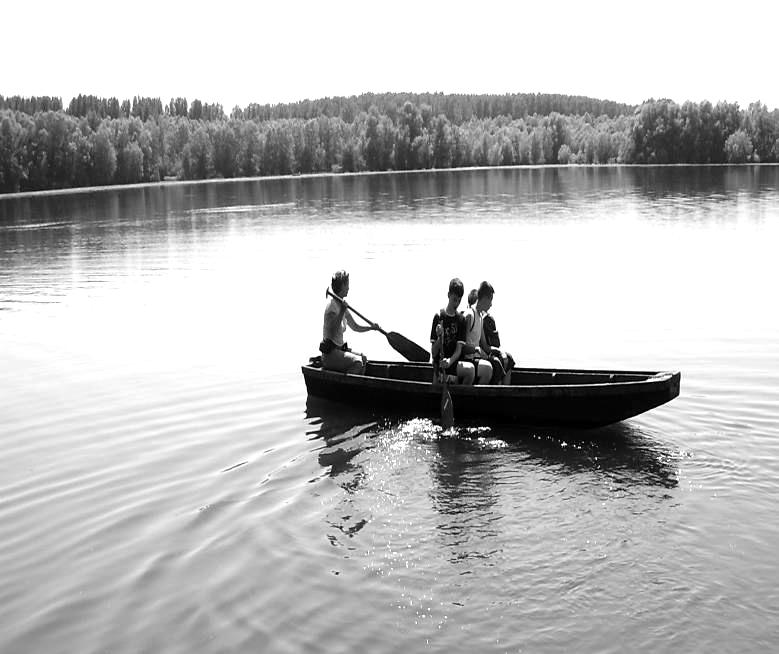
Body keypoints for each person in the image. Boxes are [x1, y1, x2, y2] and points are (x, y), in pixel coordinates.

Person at [320, 270, 380, 374]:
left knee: (363, 358)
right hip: (330, 354)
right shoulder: (332, 307)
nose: (348, 288)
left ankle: (358, 385)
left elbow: (355, 327)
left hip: (339, 351)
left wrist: (371, 328)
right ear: (341, 286)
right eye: (347, 284)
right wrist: (342, 310)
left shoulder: (342, 305)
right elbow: (332, 332)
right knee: (357, 363)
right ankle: (345, 387)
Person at [430, 278, 475, 385]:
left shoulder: (461, 320)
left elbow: (459, 350)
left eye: (459, 300)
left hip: (452, 362)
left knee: (471, 370)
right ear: (448, 295)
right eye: (455, 299)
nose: (457, 303)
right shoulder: (439, 317)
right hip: (439, 364)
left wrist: (450, 361)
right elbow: (434, 352)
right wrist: (440, 337)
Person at [463, 282, 497, 384]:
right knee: (488, 369)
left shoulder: (481, 317)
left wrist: (499, 353)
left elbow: (485, 346)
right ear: (484, 298)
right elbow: (461, 347)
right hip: (466, 360)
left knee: (497, 364)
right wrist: (476, 350)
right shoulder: (469, 315)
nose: (491, 304)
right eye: (490, 300)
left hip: (475, 359)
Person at [482, 299, 515, 386]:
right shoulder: (475, 318)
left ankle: (505, 390)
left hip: (491, 351)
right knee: (497, 363)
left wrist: (500, 352)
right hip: (482, 353)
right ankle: (498, 389)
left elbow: (496, 343)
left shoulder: (488, 320)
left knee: (508, 358)